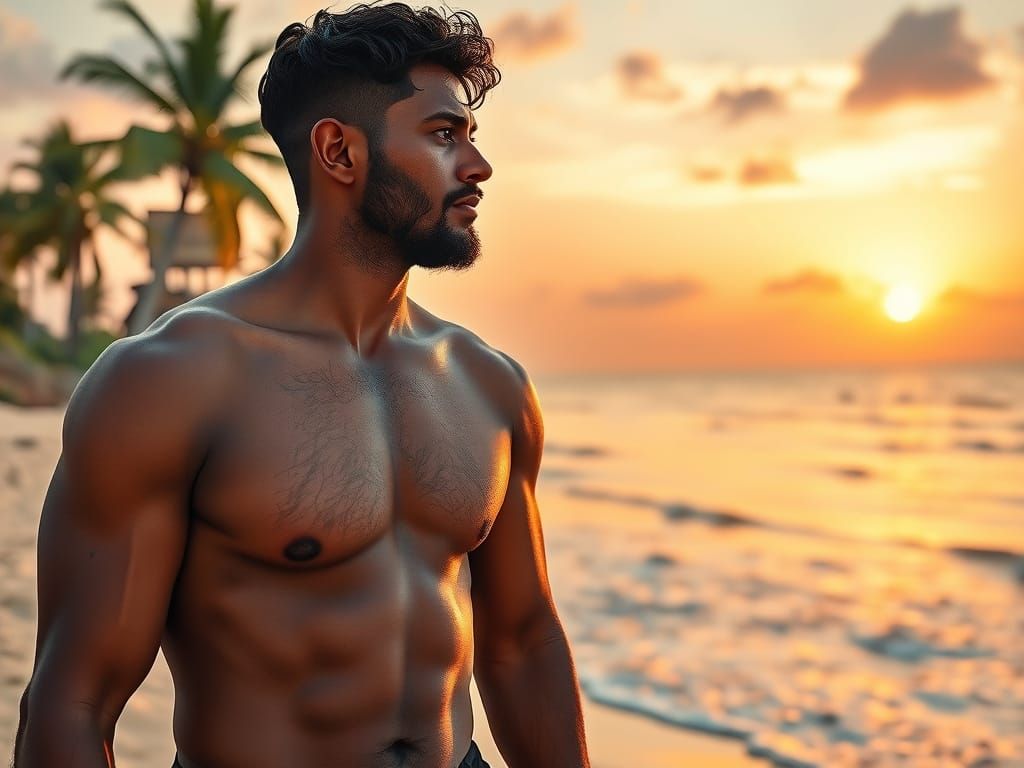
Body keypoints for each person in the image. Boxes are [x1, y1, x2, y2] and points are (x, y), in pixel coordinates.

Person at [14, 4, 591, 767]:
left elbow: (522, 644)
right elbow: (72, 703)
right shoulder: (169, 381)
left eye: (471, 137)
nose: (477, 167)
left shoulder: (489, 384)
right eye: (443, 135)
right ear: (339, 152)